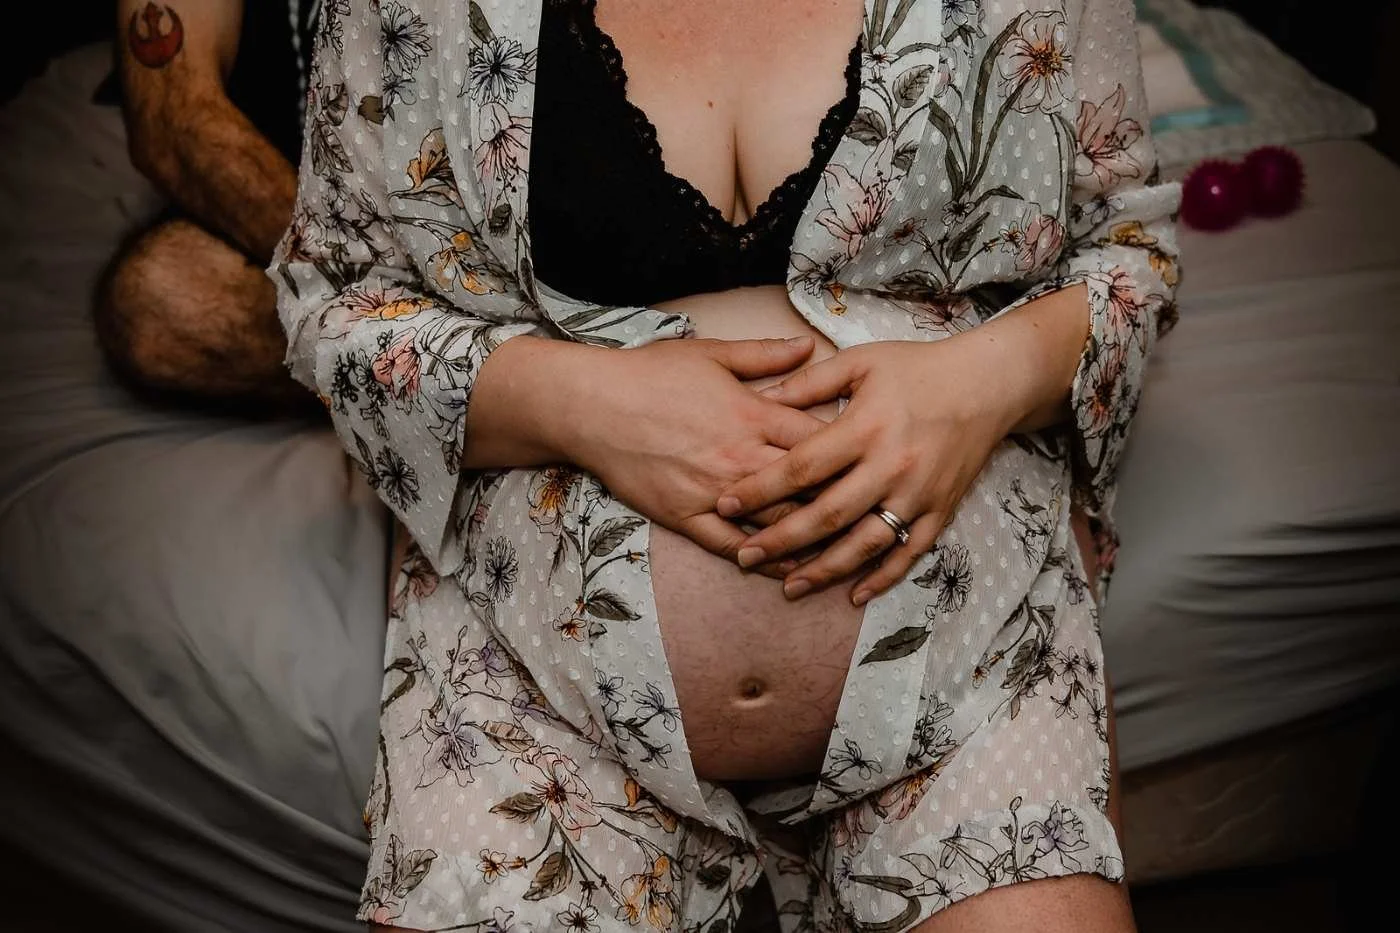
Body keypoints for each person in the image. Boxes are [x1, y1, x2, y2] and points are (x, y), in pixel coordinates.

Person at [274, 1, 1180, 930]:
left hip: (970, 657)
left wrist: (979, 385)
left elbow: (1130, 247)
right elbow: (334, 303)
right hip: (536, 678)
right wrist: (580, 404)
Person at [97, 0, 316, 410]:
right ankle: (439, 378)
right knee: (160, 301)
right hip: (296, 240)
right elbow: (175, 118)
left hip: (464, 232)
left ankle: (434, 383)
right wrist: (366, 274)